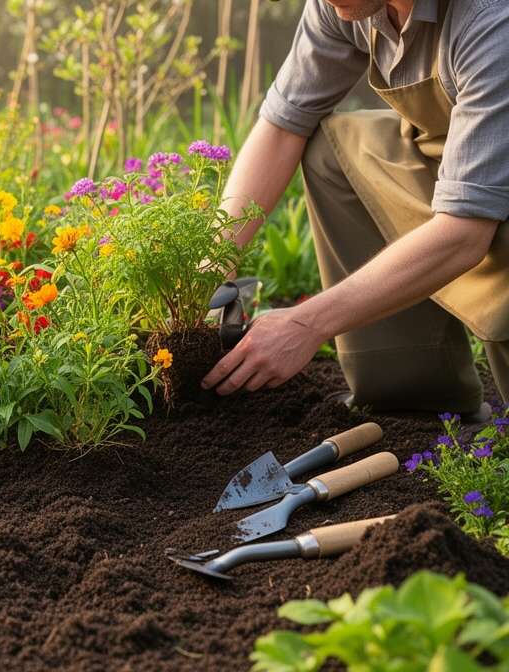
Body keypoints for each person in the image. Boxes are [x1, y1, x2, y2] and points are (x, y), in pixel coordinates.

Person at [201, 0, 509, 420]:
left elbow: (464, 234)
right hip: (459, 172)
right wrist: (212, 263)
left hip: (486, 206)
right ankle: (413, 395)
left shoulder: (491, 20)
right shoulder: (349, 4)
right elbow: (282, 125)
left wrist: (308, 324)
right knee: (334, 154)